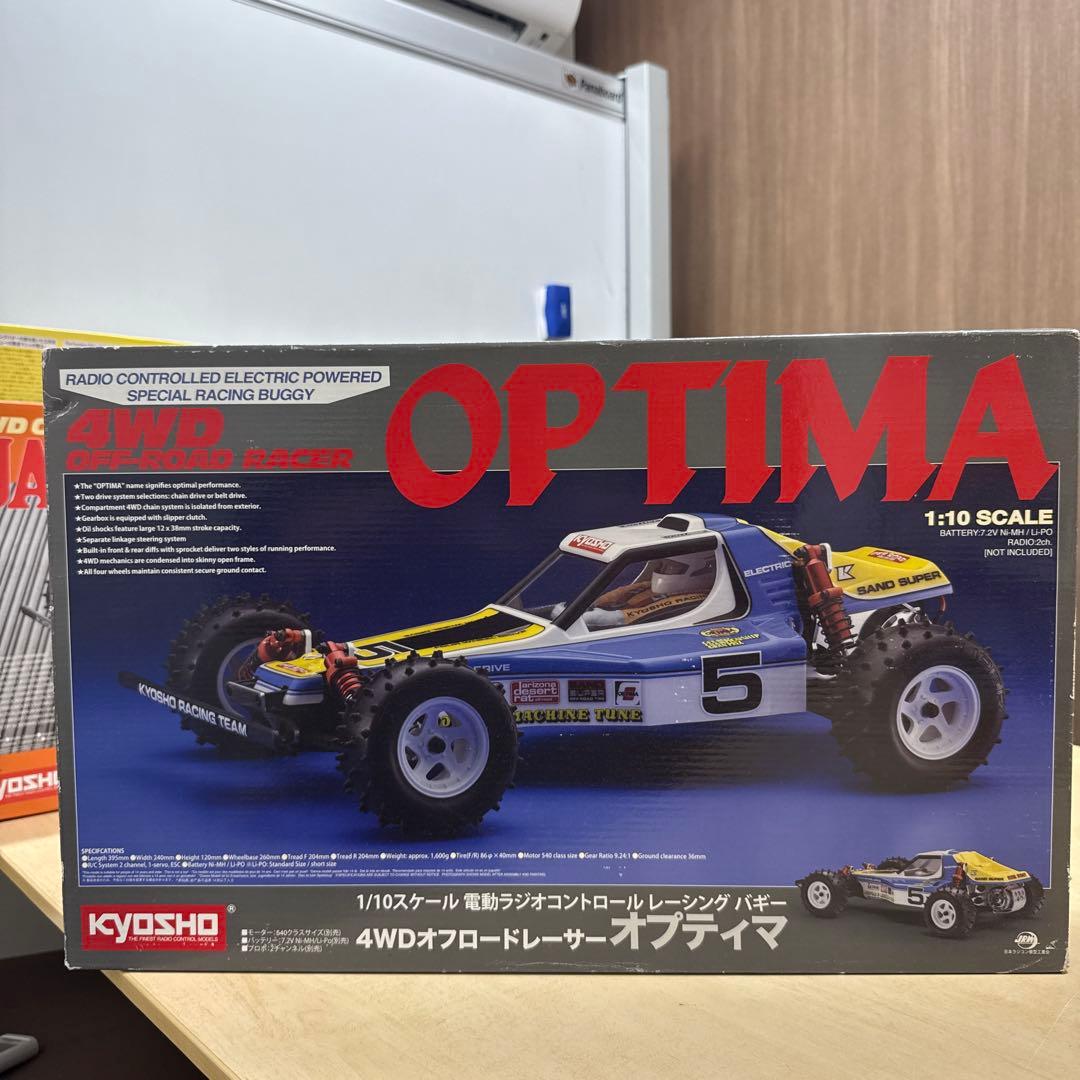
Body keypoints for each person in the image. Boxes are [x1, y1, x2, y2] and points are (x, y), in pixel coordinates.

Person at [582, 551, 717, 629]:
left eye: (670, 567)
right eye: (661, 565)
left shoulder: (697, 602)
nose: (660, 571)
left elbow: (609, 619)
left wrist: (603, 613)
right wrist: (598, 601)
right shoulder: (648, 588)